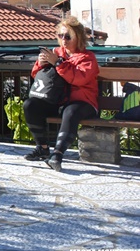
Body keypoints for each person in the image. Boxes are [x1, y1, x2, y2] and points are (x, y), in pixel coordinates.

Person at [22, 16, 99, 171]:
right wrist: (40, 64)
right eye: (61, 35)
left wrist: (58, 63)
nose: (64, 40)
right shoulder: (57, 52)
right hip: (57, 101)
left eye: (68, 36)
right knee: (30, 105)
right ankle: (42, 148)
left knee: (71, 111)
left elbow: (78, 79)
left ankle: (57, 154)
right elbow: (37, 75)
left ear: (78, 37)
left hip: (83, 103)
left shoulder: (87, 58)